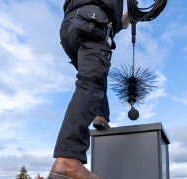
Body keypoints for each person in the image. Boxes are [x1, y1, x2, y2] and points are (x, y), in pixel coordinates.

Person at [49, 0, 130, 179]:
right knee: (90, 83)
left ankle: (101, 115)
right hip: (92, 21)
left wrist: (123, 20)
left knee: (95, 76)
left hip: (70, 27)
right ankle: (68, 159)